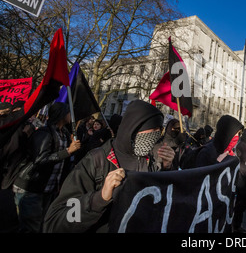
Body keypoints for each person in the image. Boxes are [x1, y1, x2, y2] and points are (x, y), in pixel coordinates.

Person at [43, 100, 175, 233]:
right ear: (135, 128)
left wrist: (166, 168)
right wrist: (99, 198)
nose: (157, 134)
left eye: (160, 130)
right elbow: (56, 222)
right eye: (154, 129)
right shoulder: (96, 161)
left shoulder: (149, 161)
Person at [12, 102, 81, 233]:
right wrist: (67, 151)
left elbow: (65, 161)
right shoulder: (44, 134)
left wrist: (72, 149)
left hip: (49, 189)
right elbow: (40, 160)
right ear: (61, 114)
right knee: (30, 226)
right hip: (31, 188)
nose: (71, 115)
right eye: (68, 112)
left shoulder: (64, 134)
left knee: (42, 224)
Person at [233, 128, 246, 233]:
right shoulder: (242, 146)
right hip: (242, 178)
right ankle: (236, 225)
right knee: (245, 200)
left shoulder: (243, 145)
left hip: (241, 177)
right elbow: (243, 164)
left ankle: (236, 223)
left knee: (241, 201)